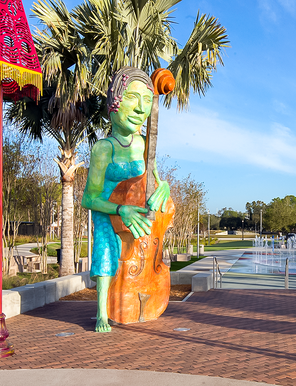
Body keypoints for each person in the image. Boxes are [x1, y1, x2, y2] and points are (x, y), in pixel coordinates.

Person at [81, 67, 171, 333]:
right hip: (109, 212)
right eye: (133, 98)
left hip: (136, 218)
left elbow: (155, 178)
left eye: (146, 101)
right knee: (106, 250)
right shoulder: (103, 148)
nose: (141, 109)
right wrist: (121, 209)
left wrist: (163, 188)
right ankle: (101, 312)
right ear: (114, 102)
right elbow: (89, 198)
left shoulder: (145, 143)